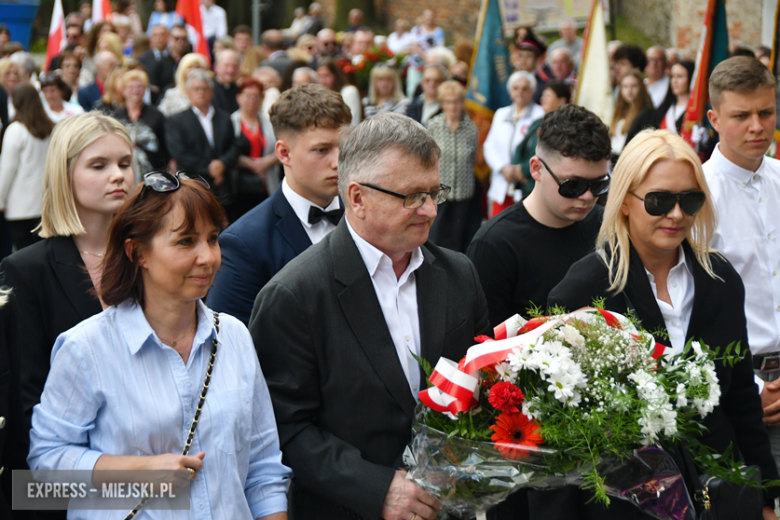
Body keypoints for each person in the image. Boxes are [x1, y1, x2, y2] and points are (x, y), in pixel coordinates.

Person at [250, 112, 490, 520]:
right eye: (412, 196)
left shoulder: (458, 273)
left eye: (435, 192)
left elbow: (484, 380)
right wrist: (377, 489)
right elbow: (284, 428)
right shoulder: (295, 295)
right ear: (357, 197)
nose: (430, 210)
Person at [27, 173, 292, 520]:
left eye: (212, 239)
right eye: (185, 241)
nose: (207, 257)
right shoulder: (86, 348)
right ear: (137, 253)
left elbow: (264, 469)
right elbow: (44, 473)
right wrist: (140, 472)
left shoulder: (235, 336)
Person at [547, 129, 780, 520]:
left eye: (689, 200)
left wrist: (764, 498)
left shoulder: (720, 279)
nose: (676, 214)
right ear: (624, 202)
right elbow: (563, 437)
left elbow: (740, 399)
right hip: (624, 505)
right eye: (658, 201)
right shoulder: (583, 289)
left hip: (718, 494)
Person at [0, 114, 132, 434]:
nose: (118, 176)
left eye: (125, 163)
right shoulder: (26, 270)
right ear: (65, 174)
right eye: (99, 166)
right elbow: (26, 397)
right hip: (62, 465)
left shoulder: (146, 257)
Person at [208, 83, 351, 325]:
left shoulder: (367, 215)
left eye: (344, 147)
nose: (338, 161)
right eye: (322, 149)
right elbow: (232, 346)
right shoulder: (244, 243)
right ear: (284, 153)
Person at [702, 56, 780, 476]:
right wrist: (751, 390)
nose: (757, 126)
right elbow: (694, 309)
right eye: (741, 115)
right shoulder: (697, 199)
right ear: (714, 117)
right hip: (739, 391)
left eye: (766, 112)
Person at [469, 102, 610, 328]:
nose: (587, 196)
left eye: (600, 184)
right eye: (573, 185)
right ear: (536, 169)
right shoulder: (494, 245)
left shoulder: (608, 226)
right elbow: (484, 344)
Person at [166, 69, 238, 209]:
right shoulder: (176, 121)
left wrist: (222, 164)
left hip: (223, 188)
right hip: (193, 187)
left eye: (205, 89)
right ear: (187, 93)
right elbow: (180, 153)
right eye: (196, 89)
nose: (201, 92)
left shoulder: (225, 118)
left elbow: (234, 146)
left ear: (212, 92)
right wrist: (210, 167)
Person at [424, 80, 479, 252]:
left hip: (463, 191)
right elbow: (426, 157)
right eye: (448, 102)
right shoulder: (433, 125)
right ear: (442, 103)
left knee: (459, 236)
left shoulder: (471, 128)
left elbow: (473, 157)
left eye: (457, 101)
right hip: (439, 190)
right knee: (436, 233)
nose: (453, 106)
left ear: (462, 103)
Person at [0, 83, 54, 251]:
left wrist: (0, 199)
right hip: (44, 204)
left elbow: (7, 169)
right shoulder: (50, 128)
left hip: (19, 207)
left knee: (22, 255)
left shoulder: (16, 130)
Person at [484, 70, 545, 216]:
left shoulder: (541, 115)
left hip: (525, 184)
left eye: (525, 88)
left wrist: (520, 170)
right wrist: (502, 168)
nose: (520, 92)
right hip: (502, 183)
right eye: (516, 88)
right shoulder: (501, 114)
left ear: (532, 92)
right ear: (510, 91)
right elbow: (489, 146)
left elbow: (540, 150)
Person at [511, 80, 572, 198]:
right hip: (526, 184)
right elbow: (520, 147)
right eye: (543, 95)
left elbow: (547, 154)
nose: (543, 98)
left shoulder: (564, 126)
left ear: (561, 100)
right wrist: (517, 169)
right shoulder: (538, 122)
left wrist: (524, 171)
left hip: (543, 185)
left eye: (548, 95)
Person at [230, 78, 279, 220]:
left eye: (256, 96)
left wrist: (266, 162)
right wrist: (252, 164)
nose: (252, 100)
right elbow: (226, 150)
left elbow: (283, 147)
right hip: (240, 187)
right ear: (239, 98)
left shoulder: (270, 122)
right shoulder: (230, 121)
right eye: (247, 95)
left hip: (267, 183)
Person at [114, 69, 168, 175]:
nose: (135, 90)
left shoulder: (157, 115)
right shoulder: (116, 116)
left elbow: (164, 145)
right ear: (123, 90)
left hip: (153, 171)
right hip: (123, 170)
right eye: (130, 87)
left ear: (145, 90)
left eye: (139, 87)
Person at [626, 60, 694, 144]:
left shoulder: (695, 110)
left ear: (690, 77)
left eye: (679, 76)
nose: (674, 81)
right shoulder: (662, 110)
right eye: (672, 76)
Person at [610, 69, 652, 155]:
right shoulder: (620, 111)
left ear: (641, 88)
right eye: (625, 86)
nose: (629, 90)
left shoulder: (647, 113)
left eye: (634, 86)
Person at [157, 52, 208, 117]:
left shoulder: (208, 94)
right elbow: (160, 115)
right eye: (190, 67)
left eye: (197, 67)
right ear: (182, 70)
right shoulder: (172, 94)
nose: (194, 70)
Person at [137, 24, 175, 105]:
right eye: (155, 35)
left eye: (162, 35)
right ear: (151, 38)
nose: (159, 38)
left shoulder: (174, 57)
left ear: (168, 37)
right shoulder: (143, 58)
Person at [316, 58, 361, 126]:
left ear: (335, 75)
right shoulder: (317, 95)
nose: (323, 81)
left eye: (326, 75)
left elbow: (353, 123)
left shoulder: (349, 92)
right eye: (320, 76)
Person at [212, 49, 240, 114]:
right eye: (226, 65)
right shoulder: (209, 90)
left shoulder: (240, 91)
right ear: (216, 67)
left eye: (234, 66)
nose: (230, 70)